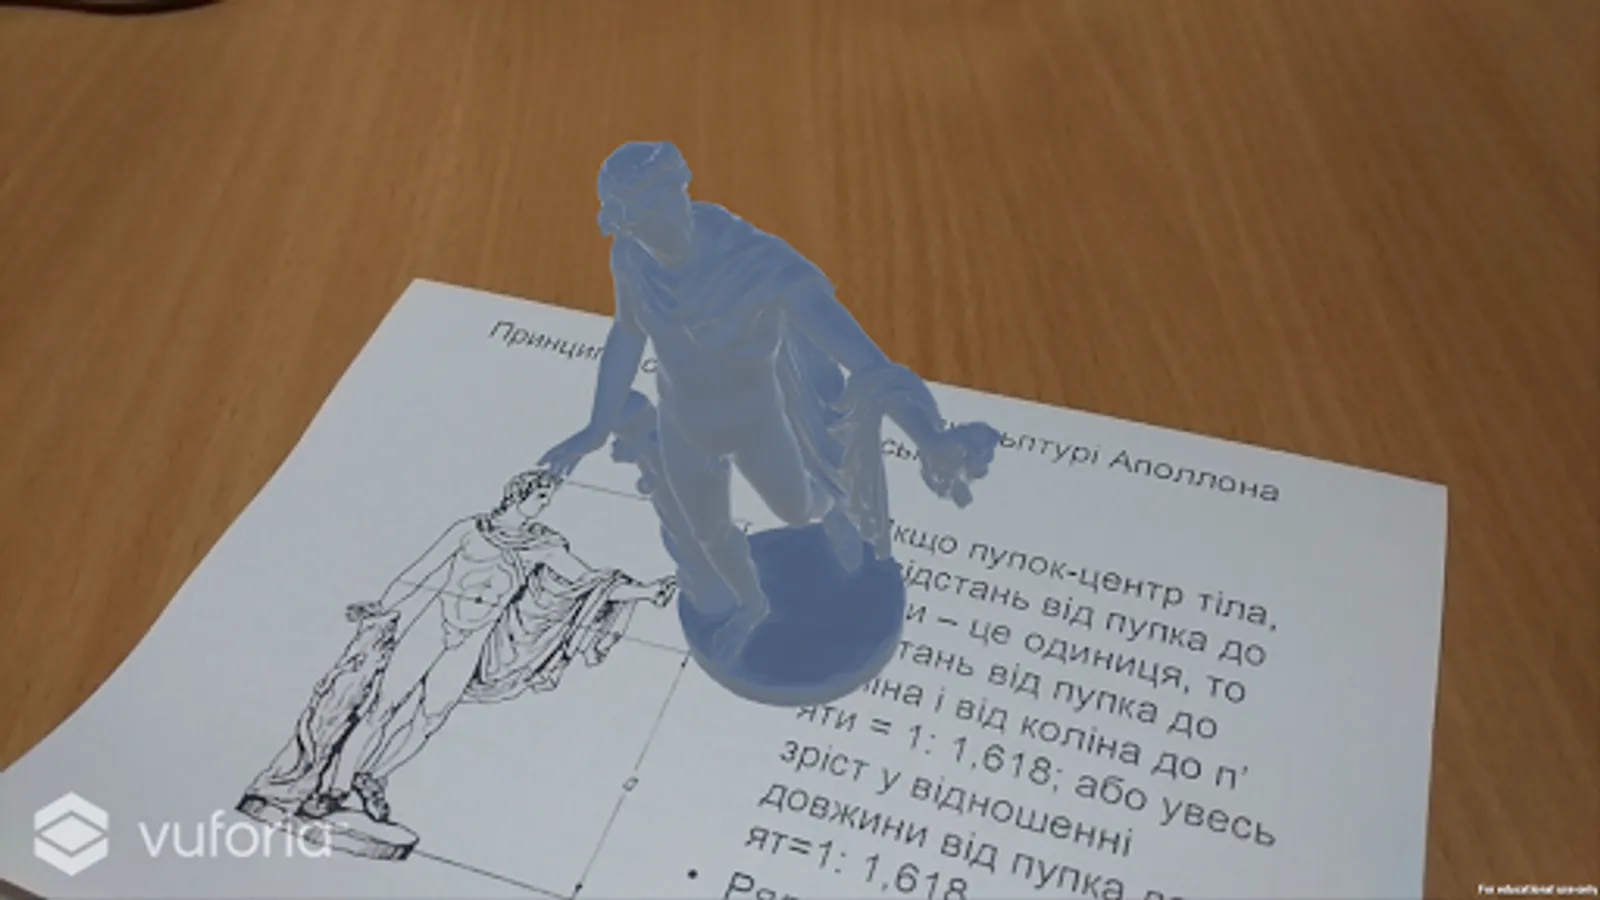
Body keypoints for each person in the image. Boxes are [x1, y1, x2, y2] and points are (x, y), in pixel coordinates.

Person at [540, 141, 999, 661]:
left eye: (660, 206)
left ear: (679, 192)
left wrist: (929, 437)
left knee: (799, 511)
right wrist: (596, 428)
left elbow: (866, 362)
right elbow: (627, 333)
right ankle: (752, 607)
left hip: (755, 423)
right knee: (709, 533)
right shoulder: (630, 257)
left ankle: (834, 507)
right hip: (682, 423)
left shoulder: (762, 266)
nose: (653, 228)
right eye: (636, 220)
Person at [238, 469, 674, 836]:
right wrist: (385, 608)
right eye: (540, 497)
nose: (544, 505)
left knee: (431, 716)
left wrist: (646, 592)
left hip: (474, 639)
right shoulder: (470, 530)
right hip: (433, 626)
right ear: (517, 494)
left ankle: (372, 775)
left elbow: (588, 581)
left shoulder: (543, 545)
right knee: (380, 708)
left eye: (548, 499)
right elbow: (420, 571)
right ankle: (331, 788)